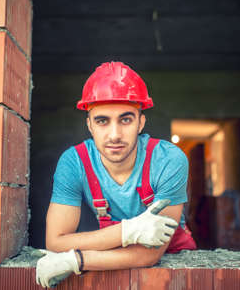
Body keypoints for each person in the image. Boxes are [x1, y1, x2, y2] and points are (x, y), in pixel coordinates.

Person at [36, 61, 196, 288]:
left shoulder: (168, 160)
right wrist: (129, 232)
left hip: (173, 268)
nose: (115, 135)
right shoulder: (74, 163)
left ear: (141, 122)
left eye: (126, 119)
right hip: (111, 265)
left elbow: (152, 254)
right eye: (102, 121)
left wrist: (78, 259)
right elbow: (55, 241)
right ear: (89, 125)